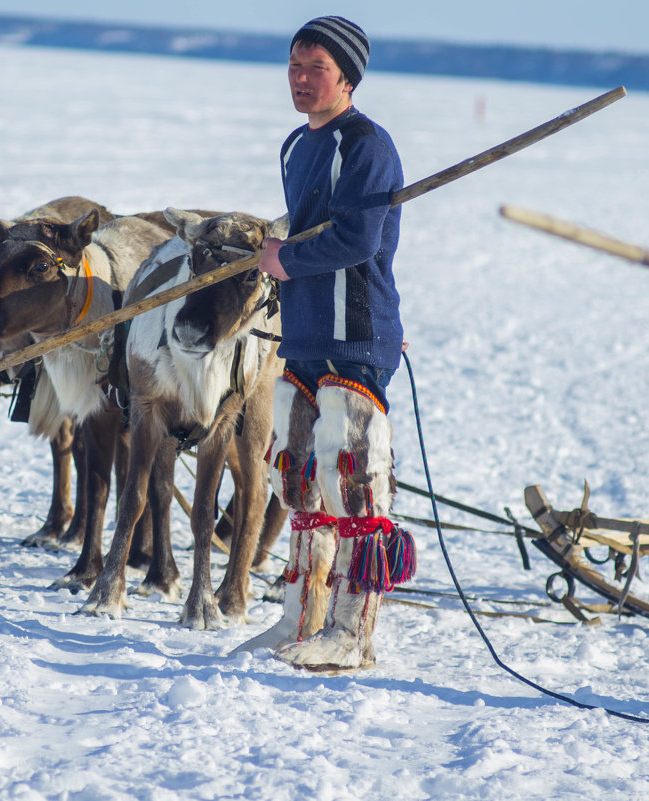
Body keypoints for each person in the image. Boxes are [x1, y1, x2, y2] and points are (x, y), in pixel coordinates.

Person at [252, 16, 414, 671]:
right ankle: (301, 617)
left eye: (314, 67)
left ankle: (353, 630)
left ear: (346, 76)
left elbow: (358, 238)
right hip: (305, 334)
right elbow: (304, 222)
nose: (299, 78)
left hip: (356, 334)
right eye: (293, 64)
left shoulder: (367, 144)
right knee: (297, 478)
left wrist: (286, 259)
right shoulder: (296, 144)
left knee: (352, 484)